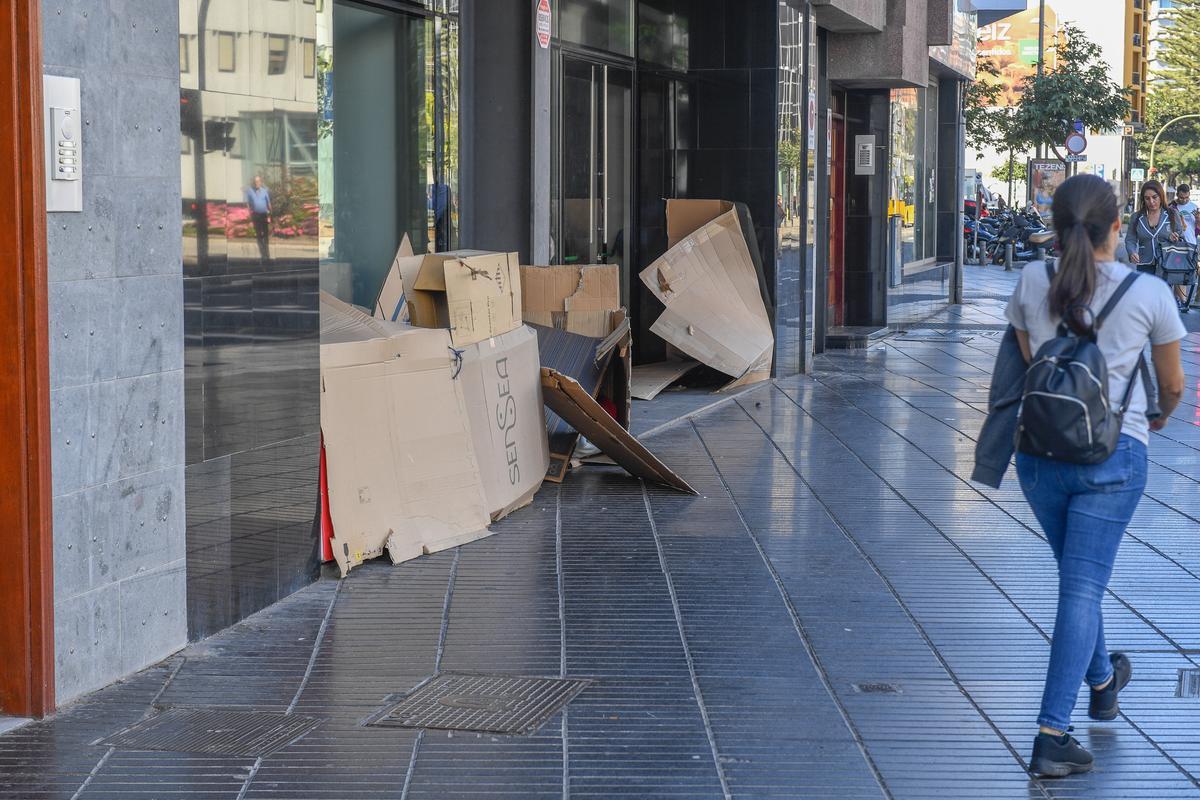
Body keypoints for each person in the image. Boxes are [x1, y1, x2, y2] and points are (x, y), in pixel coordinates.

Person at [1004, 174, 1186, 778]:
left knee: (1077, 578)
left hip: (1039, 456)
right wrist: (1156, 416)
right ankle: (1052, 734)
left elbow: (1031, 358)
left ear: (1055, 228)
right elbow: (1173, 385)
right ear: (1116, 226)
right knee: (1081, 588)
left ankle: (1104, 682)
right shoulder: (1148, 292)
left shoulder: (1032, 280)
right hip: (1113, 457)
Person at [1124, 179, 1180, 271]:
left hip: (1167, 265)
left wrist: (1174, 238)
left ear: (1161, 196)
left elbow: (1181, 238)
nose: (1151, 201)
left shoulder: (1172, 214)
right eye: (1147, 198)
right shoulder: (1136, 217)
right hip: (1144, 264)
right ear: (1143, 199)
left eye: (1155, 197)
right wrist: (1132, 252)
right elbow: (1130, 239)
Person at [1169, 184, 1199, 303]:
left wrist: (1198, 221)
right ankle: (1182, 301)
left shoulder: (1194, 207)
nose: (1184, 200)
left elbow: (1197, 230)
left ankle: (1178, 301)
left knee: (1186, 274)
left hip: (1191, 244)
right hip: (1176, 245)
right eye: (1181, 197)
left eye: (1186, 197)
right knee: (1177, 273)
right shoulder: (1172, 207)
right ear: (1177, 195)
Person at [244, 175, 272, 263]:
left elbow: (268, 203)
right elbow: (247, 203)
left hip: (264, 215)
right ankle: (263, 255)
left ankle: (267, 254)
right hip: (255, 215)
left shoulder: (264, 191)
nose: (257, 183)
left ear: (261, 182)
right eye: (255, 181)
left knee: (265, 234)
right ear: (253, 182)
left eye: (258, 181)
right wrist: (250, 213)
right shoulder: (249, 191)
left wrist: (271, 214)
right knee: (259, 235)